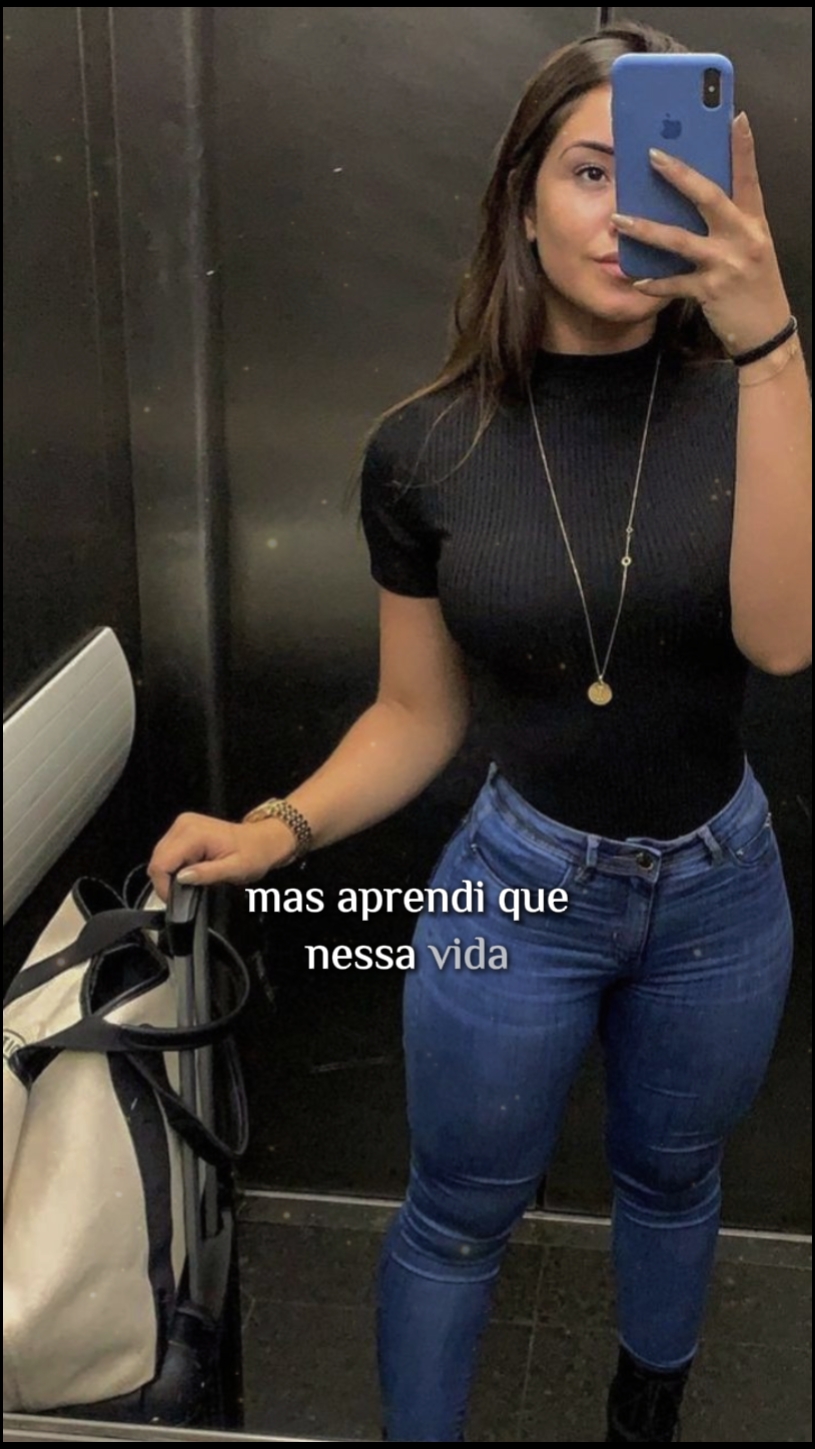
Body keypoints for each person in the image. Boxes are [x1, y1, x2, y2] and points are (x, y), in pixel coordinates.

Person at [148, 19, 811, 1444]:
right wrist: (277, 829)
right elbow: (416, 711)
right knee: (456, 1210)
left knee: (675, 1180)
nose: (626, 211)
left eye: (659, 170)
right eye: (590, 171)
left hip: (721, 891)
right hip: (518, 894)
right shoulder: (425, 449)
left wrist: (769, 345)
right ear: (522, 199)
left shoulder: (759, 401)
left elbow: (783, 638)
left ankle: (645, 1418)